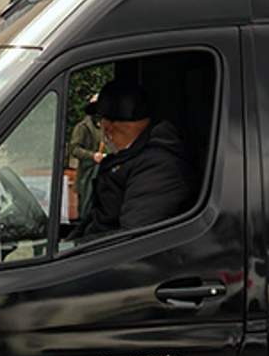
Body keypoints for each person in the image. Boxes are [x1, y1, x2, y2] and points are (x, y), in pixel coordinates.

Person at [69, 81, 194, 241]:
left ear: (109, 127)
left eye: (102, 119)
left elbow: (133, 238)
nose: (102, 126)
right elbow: (96, 219)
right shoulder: (129, 158)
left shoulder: (158, 168)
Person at [65, 95, 104, 220]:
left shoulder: (105, 125)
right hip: (87, 176)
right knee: (86, 212)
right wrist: (92, 156)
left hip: (102, 176)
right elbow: (74, 149)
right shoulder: (82, 127)